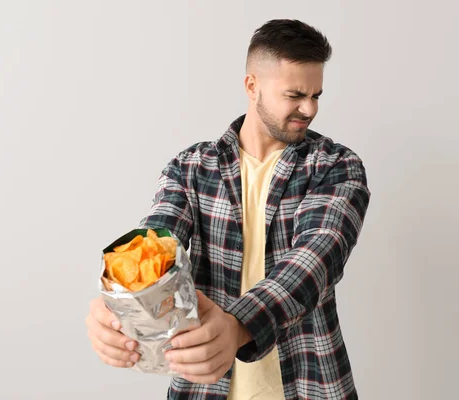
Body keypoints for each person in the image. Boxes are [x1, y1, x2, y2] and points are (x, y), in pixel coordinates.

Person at [85, 19, 371, 399]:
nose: (309, 108)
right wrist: (114, 301)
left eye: (316, 95)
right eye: (295, 94)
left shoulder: (335, 166)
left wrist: (238, 326)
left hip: (310, 384)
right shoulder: (190, 168)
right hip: (203, 390)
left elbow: (316, 259)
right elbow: (156, 244)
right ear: (252, 86)